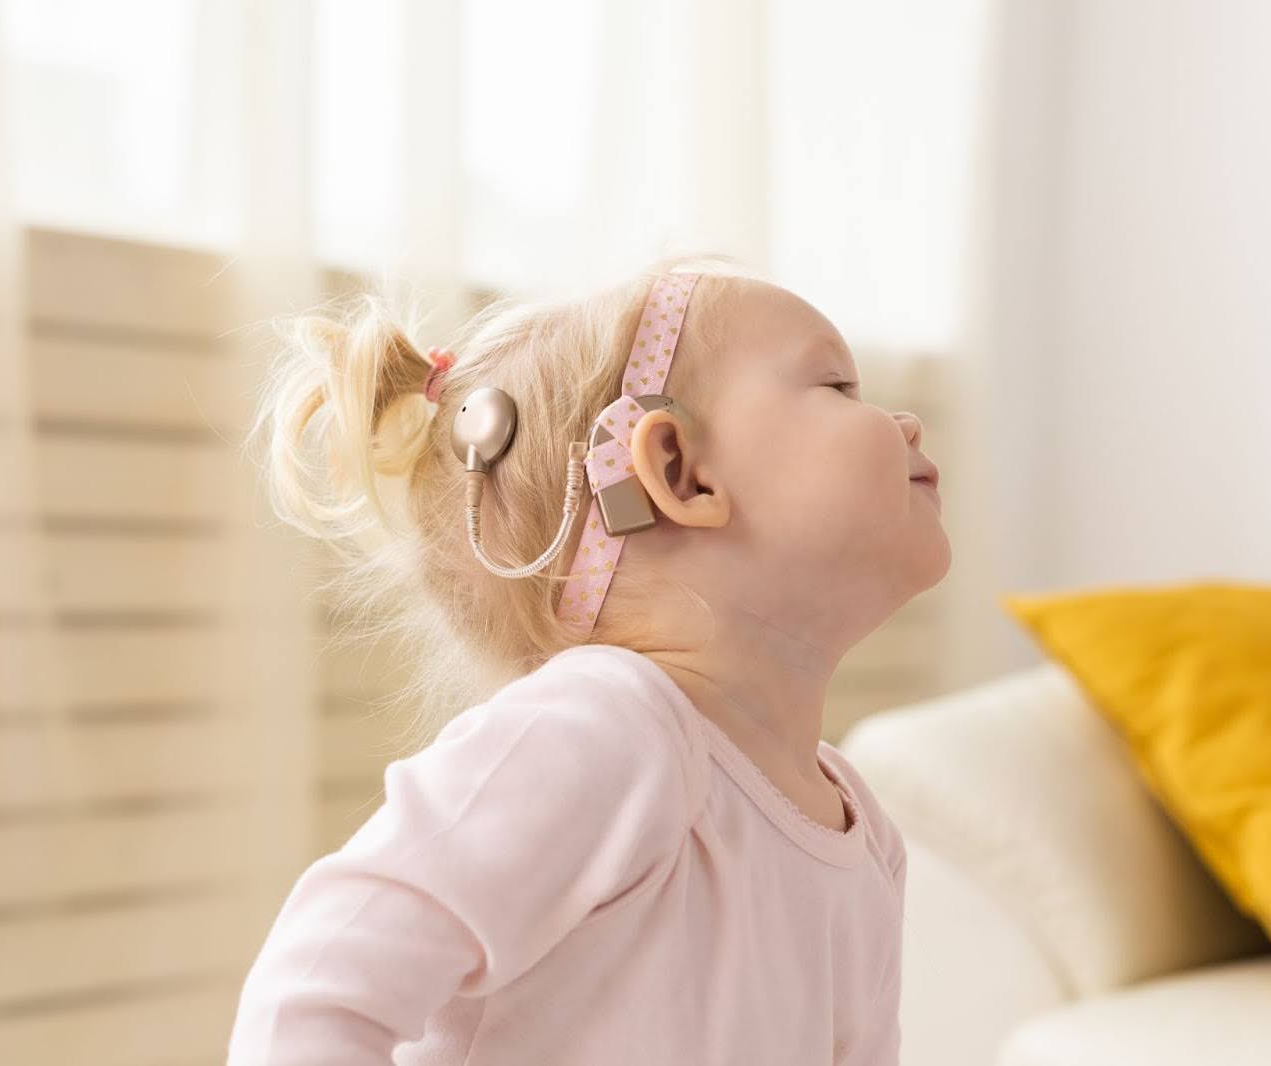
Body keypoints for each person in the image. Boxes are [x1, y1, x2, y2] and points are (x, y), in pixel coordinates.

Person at [226, 252, 950, 1064]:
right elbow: (315, 988)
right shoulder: (608, 731)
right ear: (677, 470)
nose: (905, 422)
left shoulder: (862, 831)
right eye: (837, 387)